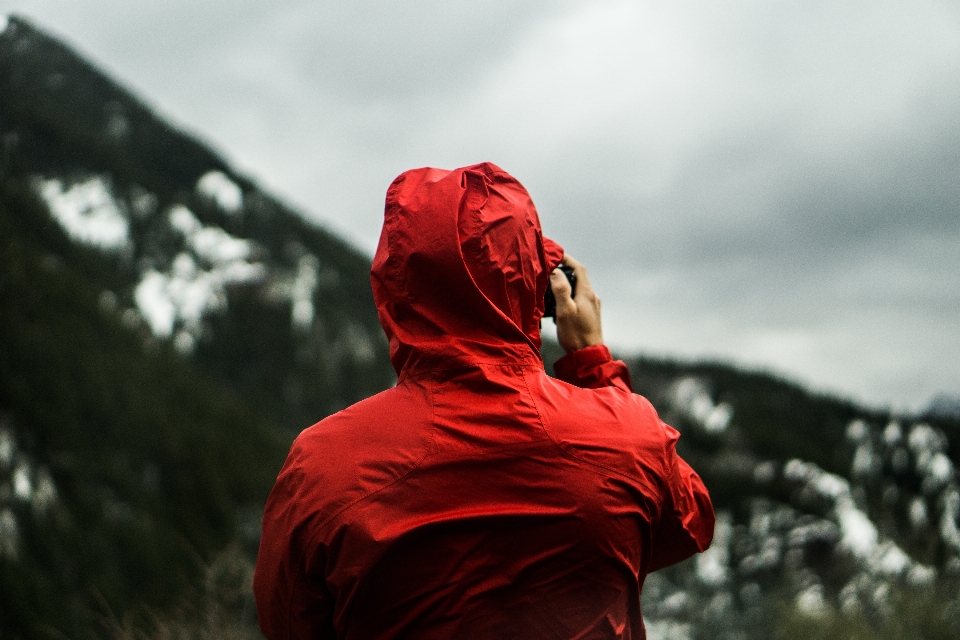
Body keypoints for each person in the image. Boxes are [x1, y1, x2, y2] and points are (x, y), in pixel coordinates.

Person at [254, 162, 714, 639]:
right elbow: (689, 524)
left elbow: (286, 622)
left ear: (393, 284)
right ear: (533, 288)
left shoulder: (323, 465)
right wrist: (593, 365)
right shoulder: (626, 435)